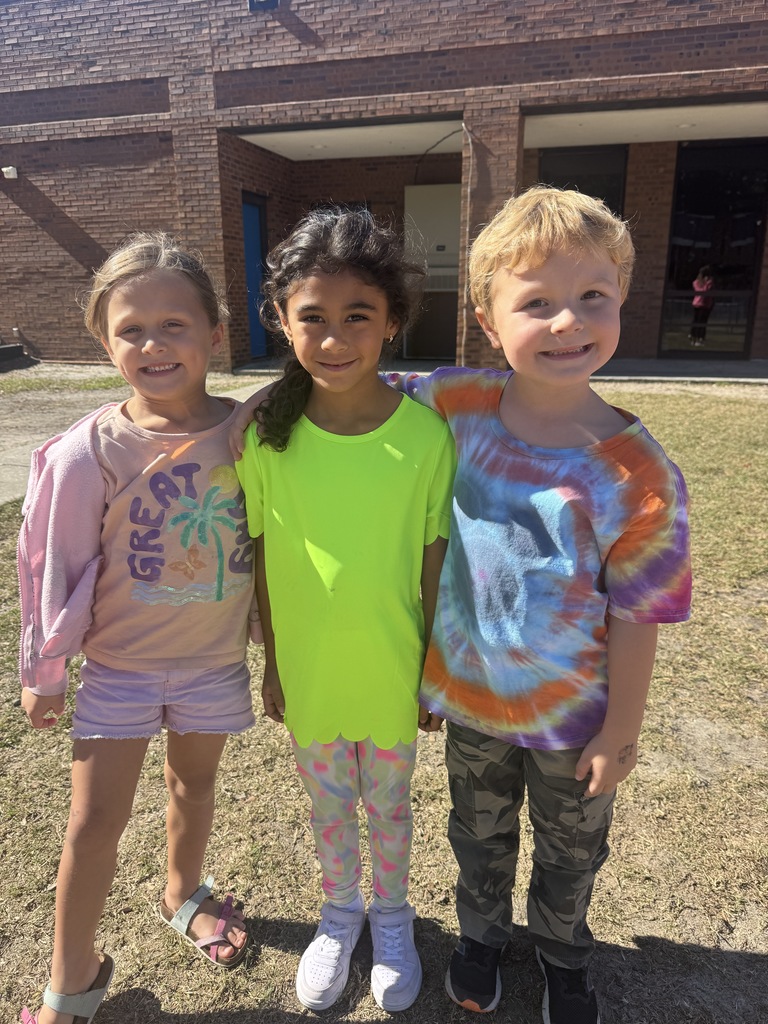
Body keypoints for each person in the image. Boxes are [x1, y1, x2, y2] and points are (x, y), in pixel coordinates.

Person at [380, 187, 692, 1023]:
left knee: (570, 850)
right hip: (473, 703)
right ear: (488, 319)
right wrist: (243, 411)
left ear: (622, 297)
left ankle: (563, 954)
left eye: (592, 296)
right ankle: (481, 937)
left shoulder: (640, 473)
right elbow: (351, 387)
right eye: (537, 302)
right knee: (476, 834)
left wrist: (621, 733)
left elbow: (637, 617)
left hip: (575, 722)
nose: (567, 322)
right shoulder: (455, 404)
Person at [18, 232, 261, 1024]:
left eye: (175, 325)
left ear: (216, 333)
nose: (153, 345)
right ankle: (71, 980)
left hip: (213, 662)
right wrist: (43, 670)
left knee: (195, 784)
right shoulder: (89, 451)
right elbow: (51, 565)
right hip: (119, 669)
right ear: (103, 339)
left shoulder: (252, 431)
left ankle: (183, 892)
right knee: (92, 826)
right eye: (131, 329)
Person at [235, 206, 456, 1013]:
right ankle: (340, 916)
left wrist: (433, 667)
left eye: (357, 316)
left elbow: (433, 559)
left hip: (394, 669)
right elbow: (260, 555)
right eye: (312, 319)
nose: (334, 338)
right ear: (281, 324)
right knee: (331, 805)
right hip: (312, 673)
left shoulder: (428, 441)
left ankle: (392, 918)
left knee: (390, 806)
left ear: (392, 320)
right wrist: (274, 662)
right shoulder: (268, 438)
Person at [689, 265, 715, 345]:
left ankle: (700, 337)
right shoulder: (697, 282)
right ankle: (695, 336)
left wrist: (707, 283)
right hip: (699, 303)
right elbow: (702, 291)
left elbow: (707, 290)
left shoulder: (709, 282)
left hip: (706, 304)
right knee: (698, 321)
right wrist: (705, 285)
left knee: (702, 322)